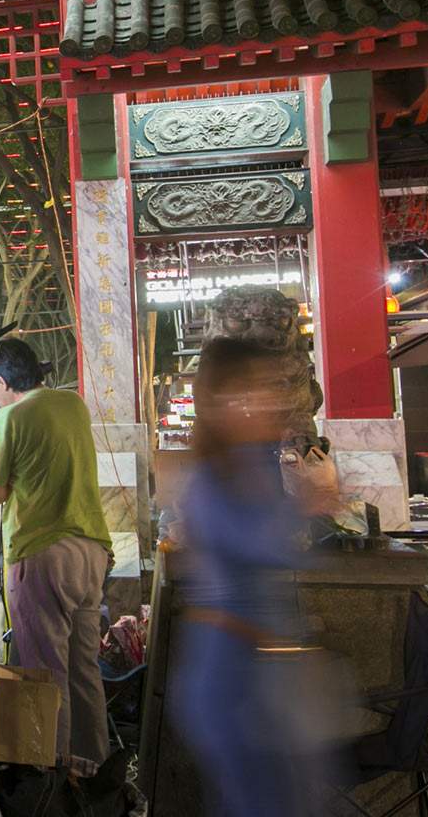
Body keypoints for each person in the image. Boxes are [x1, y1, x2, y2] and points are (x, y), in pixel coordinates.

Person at [169, 336, 336, 816]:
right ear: (219, 400)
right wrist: (309, 506)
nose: (264, 403)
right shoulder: (212, 475)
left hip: (261, 665)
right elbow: (264, 545)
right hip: (229, 668)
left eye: (270, 389)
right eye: (250, 390)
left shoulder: (251, 462)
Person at [0, 338, 111, 776]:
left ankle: (52, 780)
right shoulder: (73, 404)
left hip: (41, 556)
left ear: (1, 382)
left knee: (46, 675)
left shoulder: (8, 417)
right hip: (91, 550)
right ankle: (95, 771)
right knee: (84, 670)